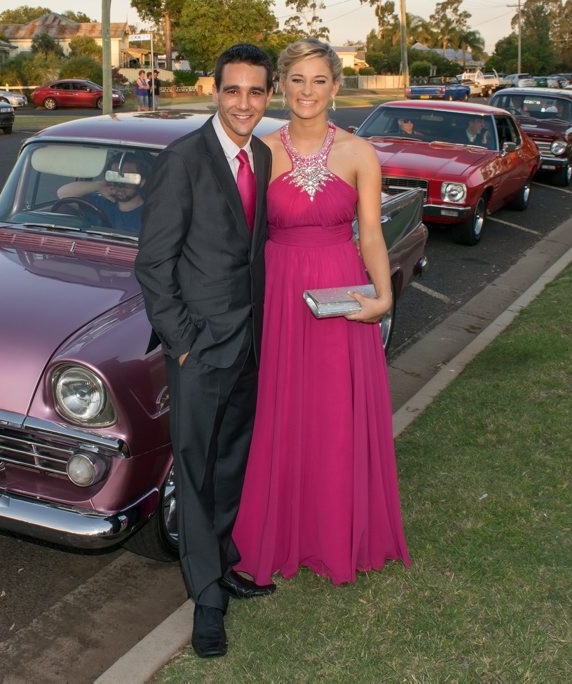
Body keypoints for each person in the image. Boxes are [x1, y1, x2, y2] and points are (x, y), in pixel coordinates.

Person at [231, 38, 410, 589]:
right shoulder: (260, 151)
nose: (307, 92)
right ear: (281, 84)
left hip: (340, 297)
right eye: (297, 80)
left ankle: (335, 536)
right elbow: (239, 237)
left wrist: (382, 298)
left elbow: (373, 236)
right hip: (280, 294)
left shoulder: (360, 154)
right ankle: (280, 534)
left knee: (334, 418)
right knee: (282, 414)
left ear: (335, 87)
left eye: (319, 81)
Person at [135, 44, 275, 659]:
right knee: (194, 475)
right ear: (213, 91)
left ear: (266, 96)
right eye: (233, 90)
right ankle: (207, 602)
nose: (244, 103)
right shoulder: (183, 160)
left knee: (227, 468)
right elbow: (153, 265)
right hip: (200, 350)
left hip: (248, 346)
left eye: (255, 92)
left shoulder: (264, 157)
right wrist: (184, 345)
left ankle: (220, 565)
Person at [56, 152, 150, 234]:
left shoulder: (150, 214)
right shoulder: (99, 203)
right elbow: (63, 193)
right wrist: (99, 185)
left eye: (128, 179)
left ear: (141, 182)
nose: (120, 184)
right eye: (115, 177)